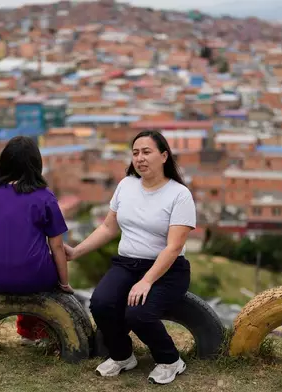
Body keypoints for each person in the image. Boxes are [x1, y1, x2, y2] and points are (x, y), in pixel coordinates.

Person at [65, 130, 196, 385]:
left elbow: (173, 247)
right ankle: (122, 355)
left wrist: (146, 281)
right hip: (127, 264)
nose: (140, 158)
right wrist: (76, 251)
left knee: (137, 313)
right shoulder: (126, 185)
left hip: (167, 270)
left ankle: (170, 360)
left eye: (147, 152)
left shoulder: (179, 195)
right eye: (135, 153)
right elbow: (107, 228)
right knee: (101, 304)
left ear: (164, 156)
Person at [0, 136, 73, 346]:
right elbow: (56, 245)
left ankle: (25, 333)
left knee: (24, 259)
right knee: (40, 263)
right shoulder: (44, 196)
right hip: (35, 277)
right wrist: (64, 283)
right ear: (35, 164)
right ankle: (41, 332)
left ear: (4, 163)